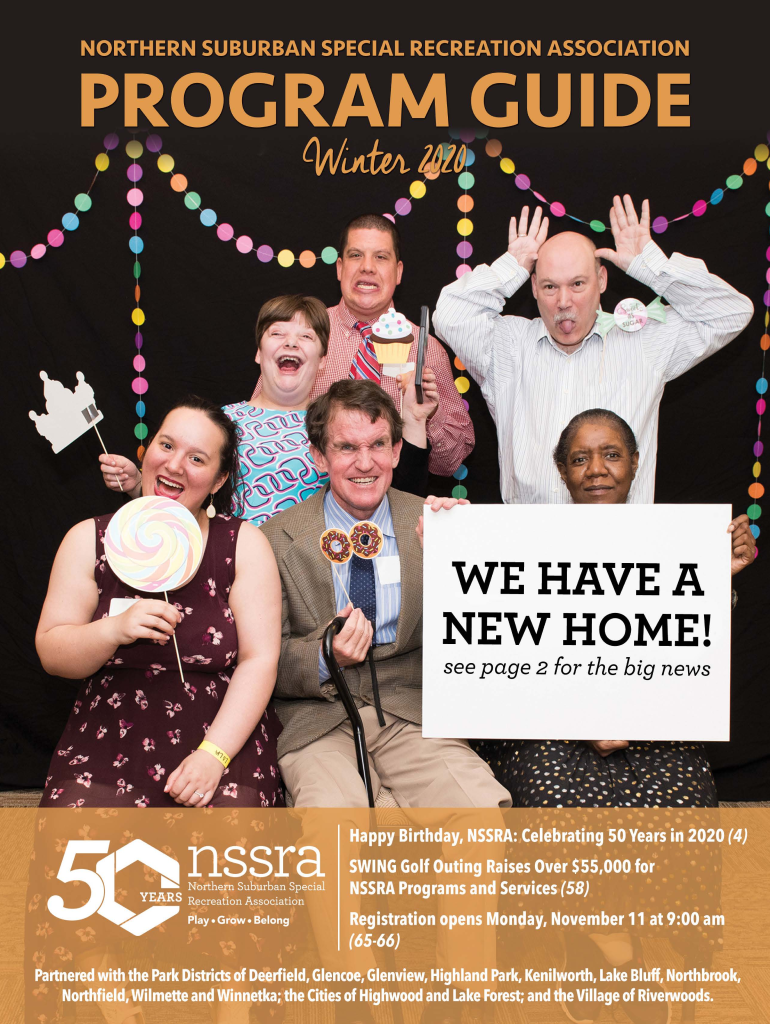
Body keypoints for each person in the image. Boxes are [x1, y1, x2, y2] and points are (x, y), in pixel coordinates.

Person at [259, 380, 510, 1010]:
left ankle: (457, 998)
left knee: (480, 813)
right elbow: (260, 656)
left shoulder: (435, 521)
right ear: (320, 455)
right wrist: (323, 652)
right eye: (346, 447)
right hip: (319, 716)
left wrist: (464, 555)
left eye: (377, 444)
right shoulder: (275, 538)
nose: (364, 461)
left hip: (410, 709)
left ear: (399, 449)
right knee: (331, 827)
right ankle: (364, 997)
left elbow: (496, 619)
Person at [37, 396, 284, 809]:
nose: (174, 464)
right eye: (166, 445)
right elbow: (52, 653)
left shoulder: (244, 544)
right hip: (111, 734)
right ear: (147, 451)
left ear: (219, 480)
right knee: (80, 844)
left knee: (229, 839)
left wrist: (213, 755)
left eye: (197, 458)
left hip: (221, 732)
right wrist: (113, 630)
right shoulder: (87, 539)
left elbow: (259, 661)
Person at [434, 196, 753, 503]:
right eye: (550, 286)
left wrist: (649, 265)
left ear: (601, 280)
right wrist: (513, 266)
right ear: (533, 287)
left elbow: (731, 313)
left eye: (577, 284)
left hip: (621, 536)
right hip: (529, 534)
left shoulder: (643, 341)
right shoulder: (507, 345)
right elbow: (450, 315)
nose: (563, 301)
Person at [101, 294, 438, 516]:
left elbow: (394, 501)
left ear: (322, 360)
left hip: (314, 578)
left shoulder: (336, 426)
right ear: (259, 353)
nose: (291, 342)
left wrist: (414, 419)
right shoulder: (221, 423)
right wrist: (137, 487)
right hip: (233, 575)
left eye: (306, 336)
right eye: (277, 334)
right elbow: (187, 495)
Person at [250, 214, 474, 476]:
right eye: (356, 255)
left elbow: (449, 465)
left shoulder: (425, 349)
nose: (367, 267)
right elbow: (259, 427)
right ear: (339, 268)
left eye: (381, 257)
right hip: (306, 491)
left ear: (398, 272)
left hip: (394, 497)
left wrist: (430, 416)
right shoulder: (303, 336)